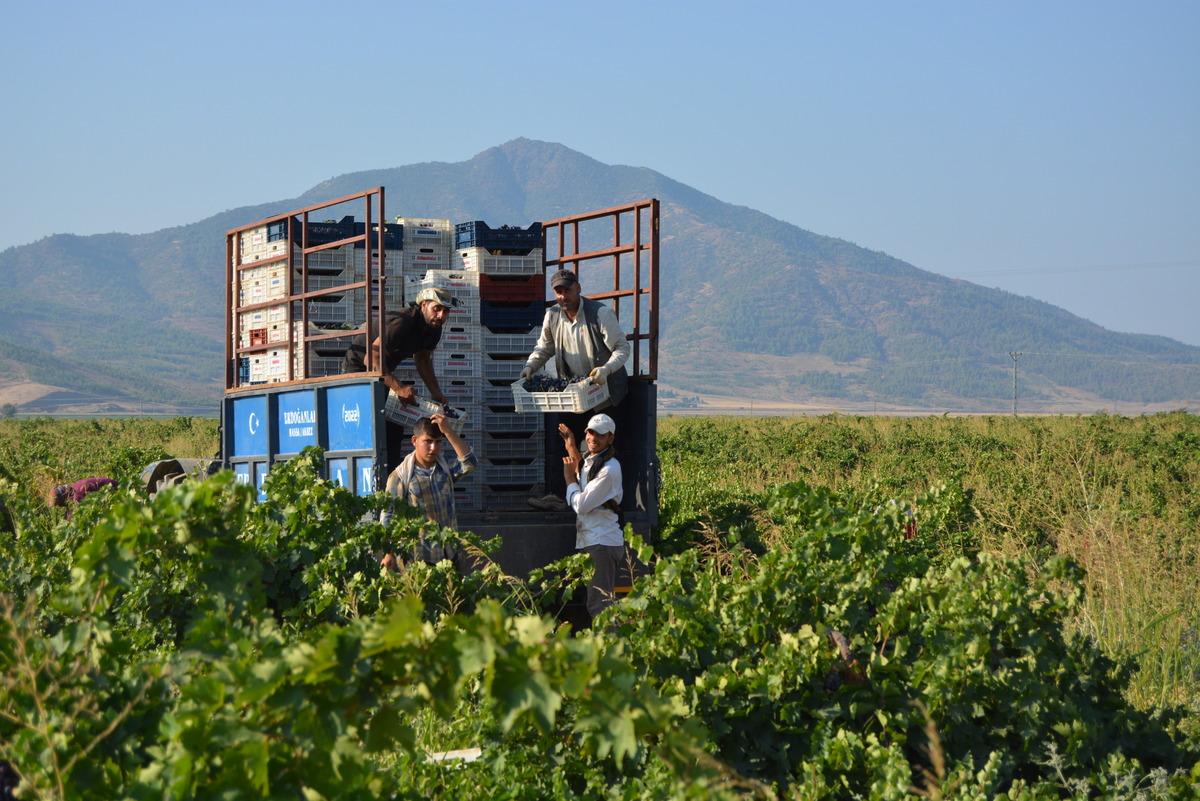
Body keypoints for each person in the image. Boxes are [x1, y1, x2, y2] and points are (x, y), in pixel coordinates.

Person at [522, 269, 631, 510]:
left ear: (578, 289)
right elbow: (544, 348)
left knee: (604, 448)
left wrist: (606, 369)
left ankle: (606, 503)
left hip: (605, 393)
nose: (563, 296)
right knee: (564, 439)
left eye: (567, 290)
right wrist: (531, 366)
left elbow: (622, 348)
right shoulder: (553, 316)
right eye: (558, 292)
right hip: (575, 394)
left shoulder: (599, 314)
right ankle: (560, 495)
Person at [342, 286, 457, 475]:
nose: (441, 315)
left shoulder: (433, 329)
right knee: (375, 424)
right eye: (436, 309)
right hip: (358, 367)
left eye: (446, 311)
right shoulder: (403, 322)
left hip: (382, 371)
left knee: (394, 424)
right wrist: (399, 388)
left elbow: (422, 359)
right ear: (424, 305)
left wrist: (437, 393)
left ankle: (390, 479)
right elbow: (371, 359)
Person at [379, 414, 477, 572]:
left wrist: (448, 431)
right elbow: (388, 517)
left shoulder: (444, 469)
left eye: (438, 442)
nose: (433, 448)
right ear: (414, 441)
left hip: (450, 555)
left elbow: (470, 462)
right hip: (418, 560)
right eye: (428, 441)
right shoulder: (401, 476)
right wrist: (388, 553)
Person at [560, 413, 625, 622]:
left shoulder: (609, 469)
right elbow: (583, 473)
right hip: (596, 541)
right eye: (590, 433)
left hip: (602, 542)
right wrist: (571, 446)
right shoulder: (593, 461)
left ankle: (613, 642)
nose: (593, 438)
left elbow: (581, 505)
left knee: (600, 605)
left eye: (600, 435)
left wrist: (568, 479)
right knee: (599, 603)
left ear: (610, 438)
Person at [45, 476, 116, 515]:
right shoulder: (73, 489)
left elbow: (76, 512)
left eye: (58, 504)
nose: (59, 506)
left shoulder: (78, 493)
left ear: (63, 496)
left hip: (113, 489)